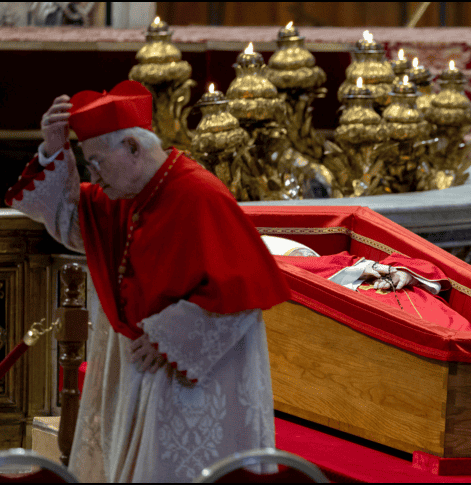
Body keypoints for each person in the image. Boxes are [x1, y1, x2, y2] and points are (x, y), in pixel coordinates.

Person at [4, 80, 291, 482]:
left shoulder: (199, 195)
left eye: (97, 162)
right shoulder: (126, 193)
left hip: (192, 382)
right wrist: (54, 149)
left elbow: (241, 295)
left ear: (133, 148)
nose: (93, 175)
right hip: (138, 371)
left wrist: (167, 336)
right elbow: (71, 221)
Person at [261, 235, 471, 332]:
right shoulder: (322, 282)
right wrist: (355, 269)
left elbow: (424, 270)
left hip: (432, 312)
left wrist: (405, 274)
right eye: (302, 259)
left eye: (310, 256)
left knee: (454, 326)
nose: (310, 260)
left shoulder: (351, 266)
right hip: (360, 309)